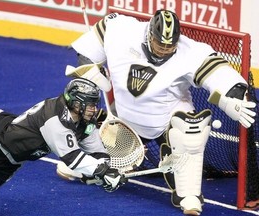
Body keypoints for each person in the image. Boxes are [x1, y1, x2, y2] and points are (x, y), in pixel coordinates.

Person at [59, 10, 256, 215]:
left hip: (168, 119)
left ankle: (188, 193)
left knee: (191, 130)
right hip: (125, 120)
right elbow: (87, 50)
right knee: (83, 114)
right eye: (159, 44)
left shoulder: (190, 51)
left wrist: (230, 101)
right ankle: (94, 161)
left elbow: (222, 77)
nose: (164, 50)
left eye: (169, 46)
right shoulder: (121, 30)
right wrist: (90, 70)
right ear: (148, 35)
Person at [0, 78, 126, 199]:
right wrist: (104, 172)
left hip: (9, 163)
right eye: (90, 104)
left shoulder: (86, 121)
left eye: (95, 104)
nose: (94, 109)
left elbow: (96, 150)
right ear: (76, 103)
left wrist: (105, 172)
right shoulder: (54, 118)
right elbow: (72, 158)